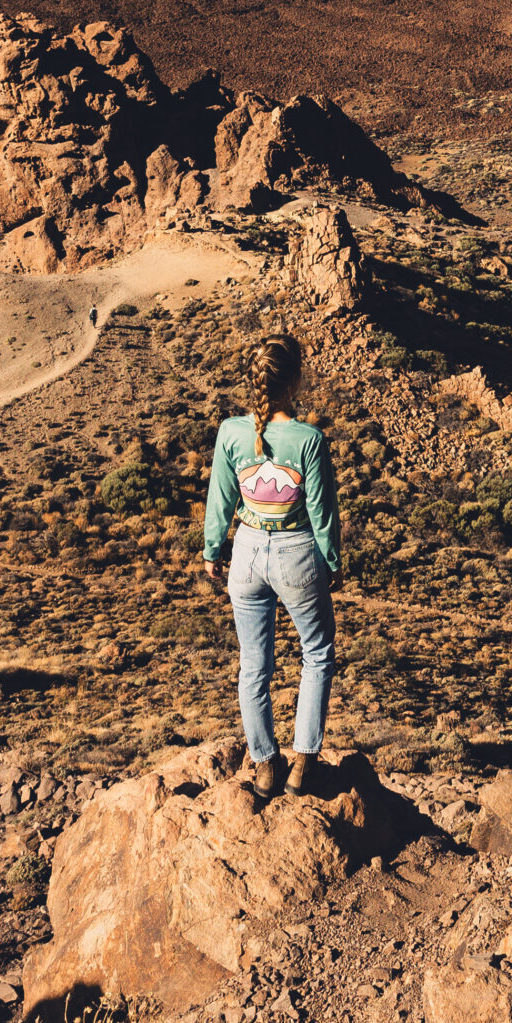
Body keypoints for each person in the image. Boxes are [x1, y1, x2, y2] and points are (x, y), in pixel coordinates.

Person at [202, 330, 339, 801]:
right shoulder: (309, 440)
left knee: (253, 667)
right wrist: (333, 561)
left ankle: (264, 764)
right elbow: (322, 512)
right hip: (297, 552)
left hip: (246, 555)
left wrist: (211, 551)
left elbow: (220, 498)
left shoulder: (230, 432)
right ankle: (303, 763)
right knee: (316, 653)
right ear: (295, 380)